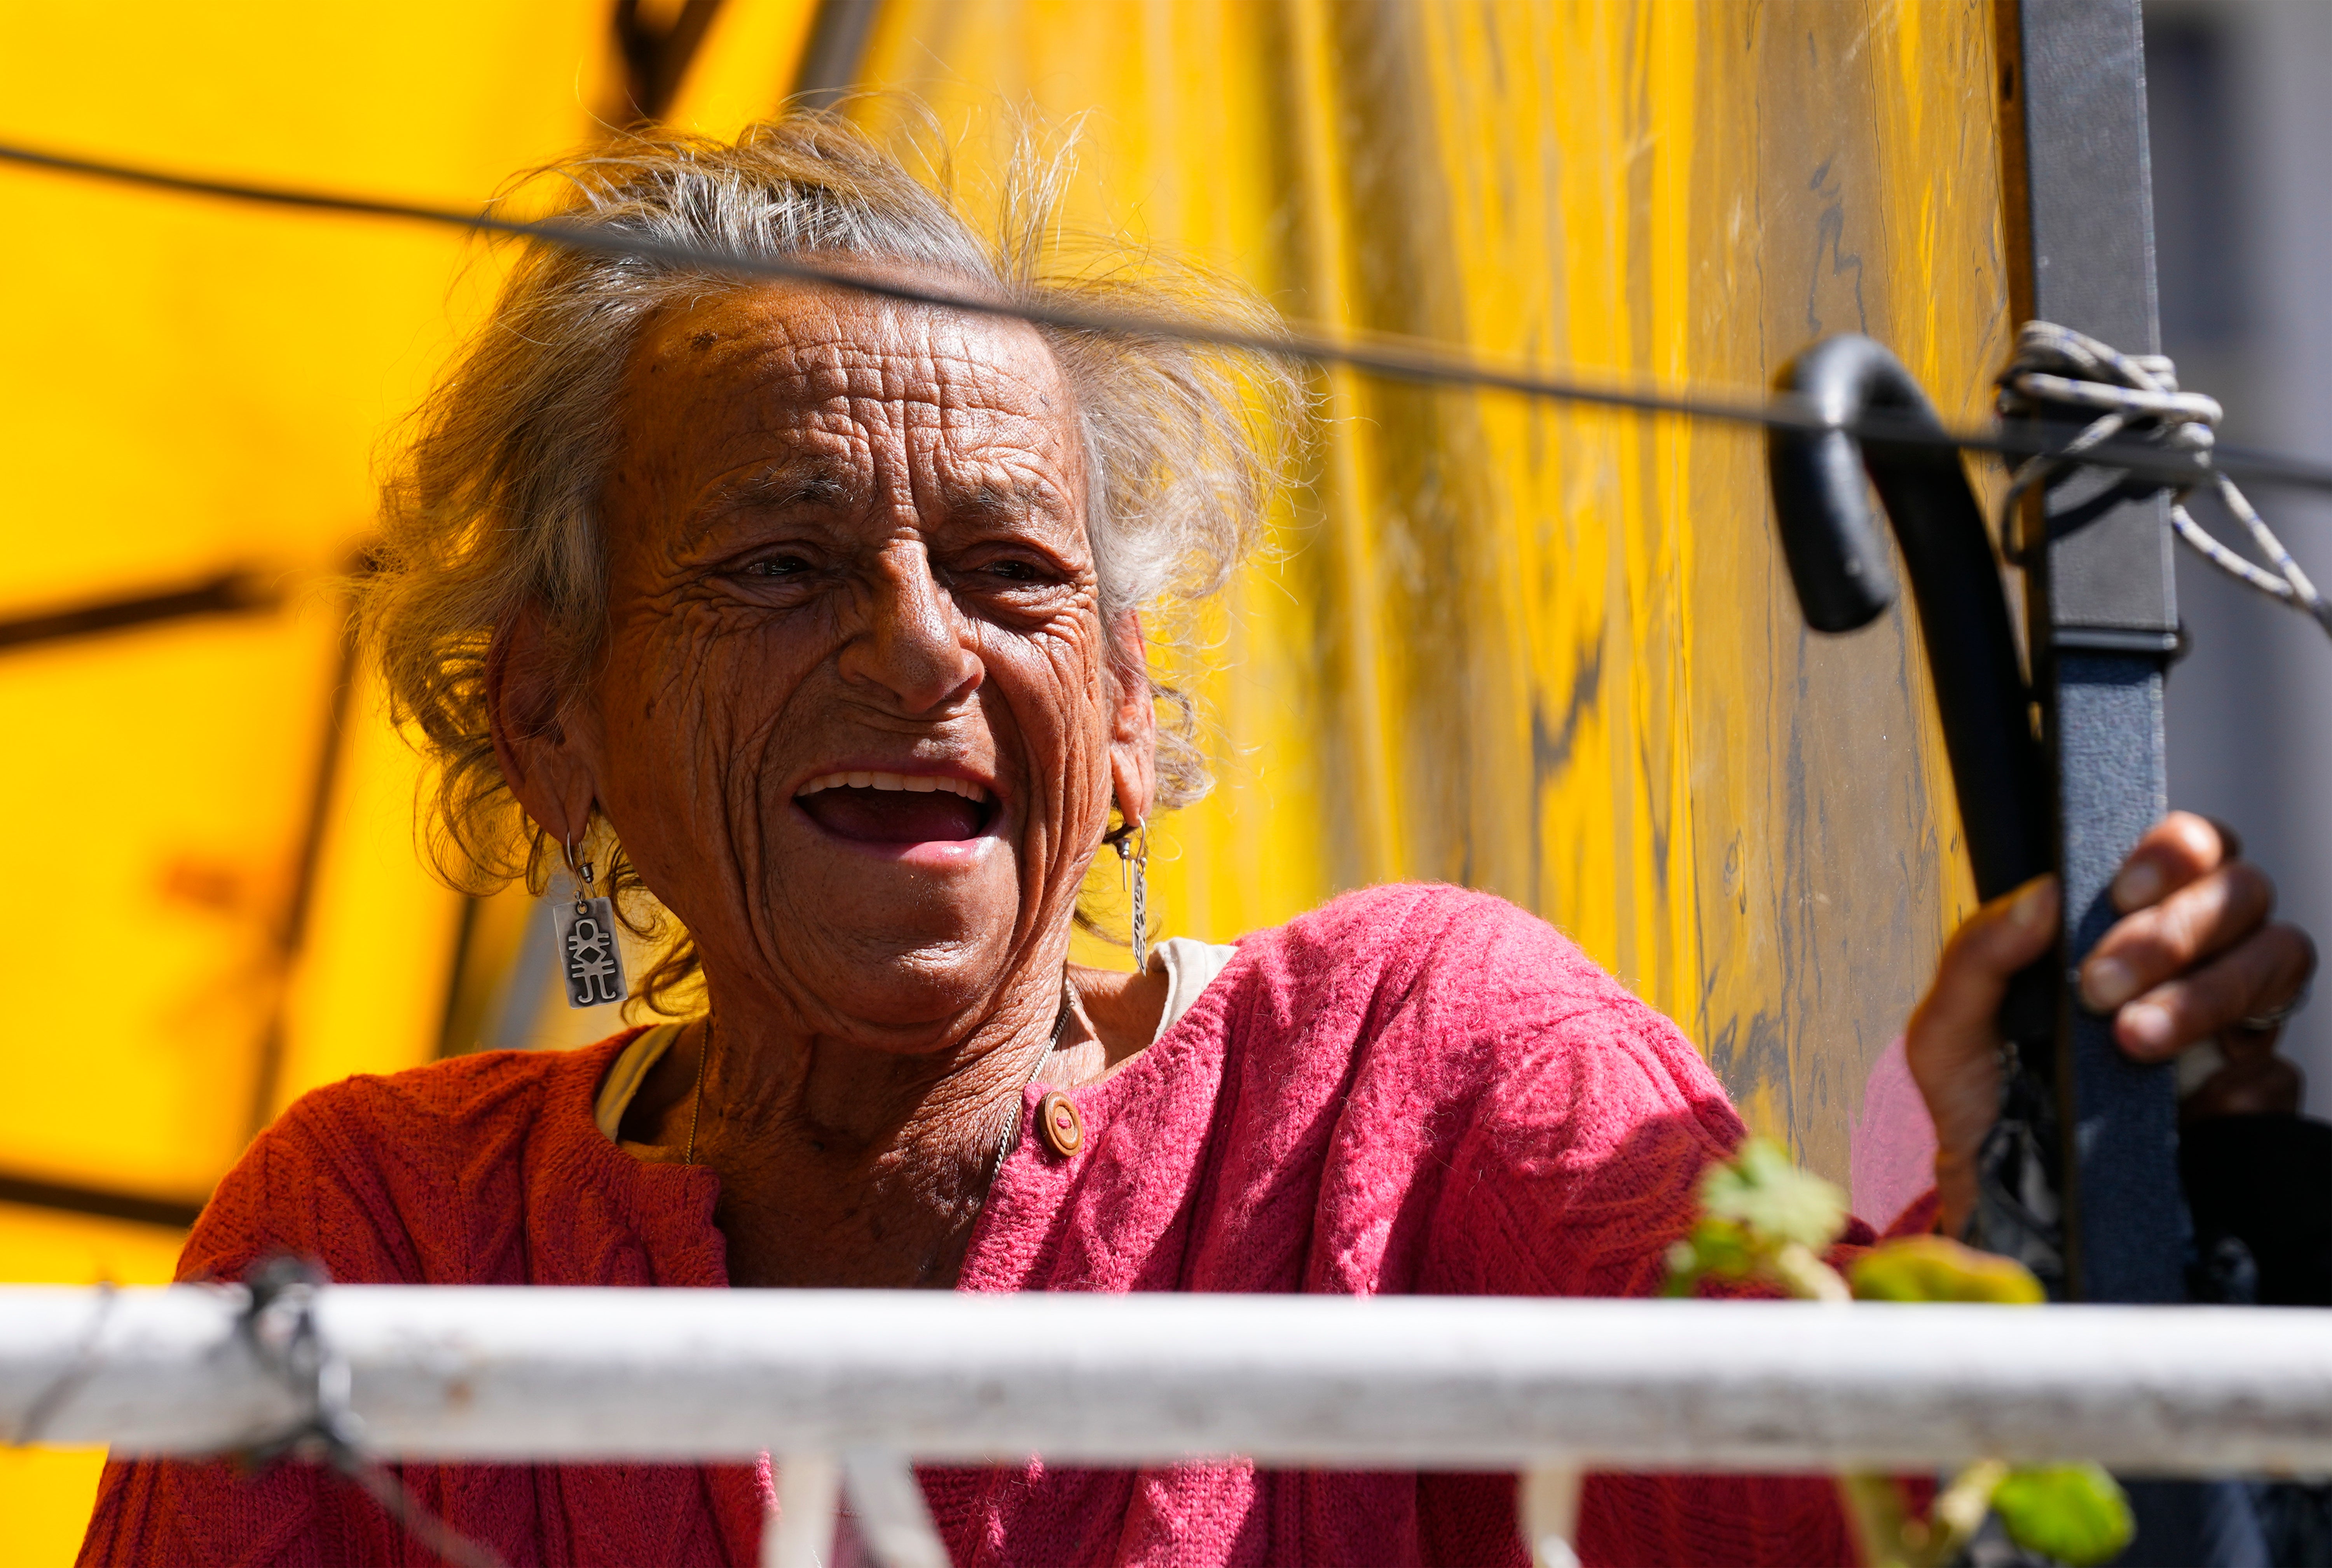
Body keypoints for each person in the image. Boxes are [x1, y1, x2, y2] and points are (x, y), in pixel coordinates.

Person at [80, 116, 2315, 1568]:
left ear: (1132, 719)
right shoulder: (375, 1230)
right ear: (551, 717)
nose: (917, 649)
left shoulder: (1416, 1074)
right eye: (774, 563)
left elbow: (1824, 1490)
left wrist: (2012, 1157)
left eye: (1015, 572)